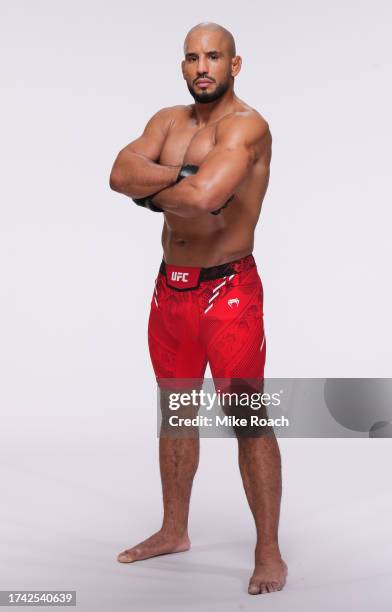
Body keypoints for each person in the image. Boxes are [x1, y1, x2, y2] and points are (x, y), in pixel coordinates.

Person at [109, 21, 287, 596]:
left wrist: (168, 186)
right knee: (176, 410)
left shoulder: (248, 127)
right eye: (192, 58)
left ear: (235, 65)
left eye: (213, 56)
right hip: (171, 289)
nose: (201, 67)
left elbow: (207, 200)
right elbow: (119, 173)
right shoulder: (166, 121)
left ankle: (268, 552)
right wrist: (183, 179)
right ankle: (173, 530)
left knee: (247, 418)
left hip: (228, 291)